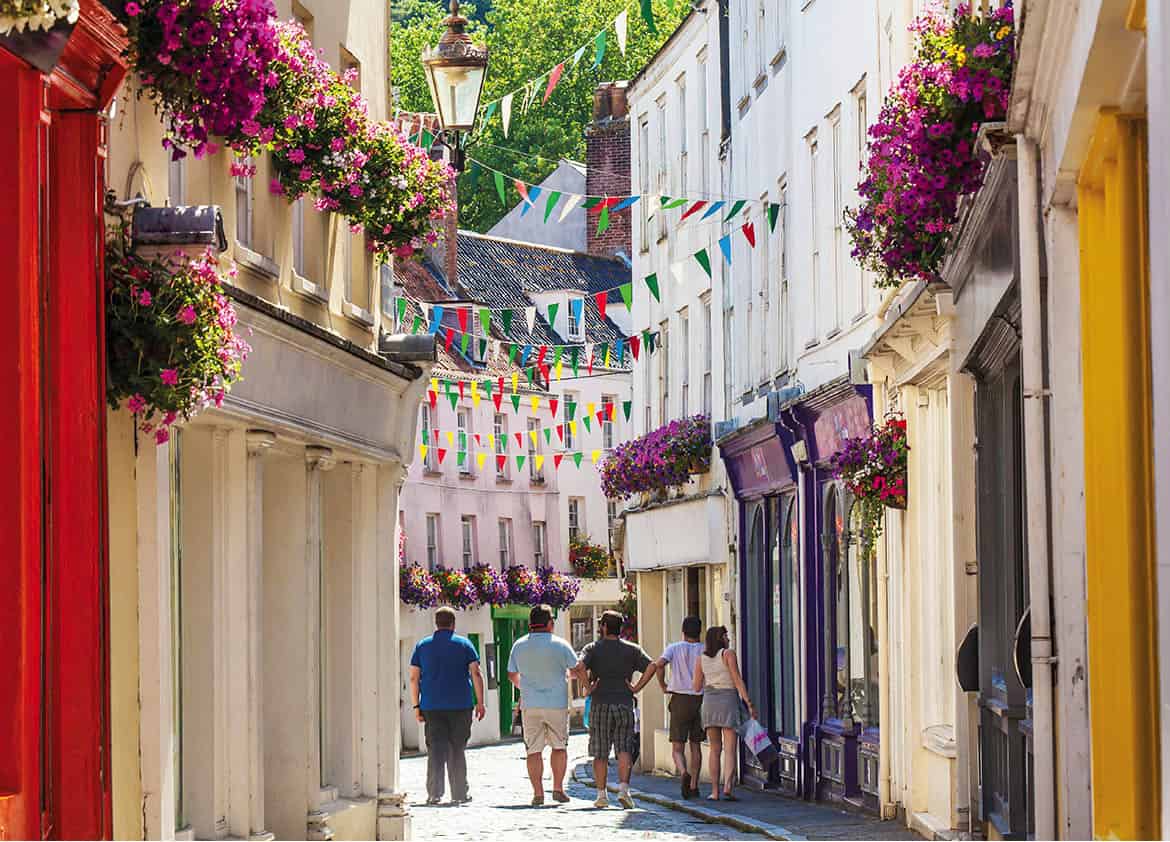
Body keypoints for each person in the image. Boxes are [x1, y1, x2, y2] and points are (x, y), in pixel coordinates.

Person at [572, 610, 658, 810]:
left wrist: (588, 687)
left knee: (600, 752)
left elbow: (579, 666)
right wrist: (637, 688)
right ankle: (624, 790)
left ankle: (601, 795)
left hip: (600, 703)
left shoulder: (593, 648)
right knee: (624, 749)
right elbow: (652, 666)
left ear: (603, 627)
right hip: (624, 703)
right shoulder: (632, 649)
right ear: (620, 628)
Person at [409, 606, 487, 805]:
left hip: (432, 706)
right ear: (453, 623)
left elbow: (413, 678)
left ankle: (434, 793)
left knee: (435, 749)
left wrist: (416, 706)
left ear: (436, 623)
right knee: (457, 748)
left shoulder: (422, 646)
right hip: (460, 705)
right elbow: (476, 674)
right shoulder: (464, 644)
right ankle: (459, 793)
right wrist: (480, 702)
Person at [506, 604, 579, 806]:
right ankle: (557, 789)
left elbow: (511, 674)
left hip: (531, 704)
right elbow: (576, 668)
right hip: (557, 703)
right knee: (559, 747)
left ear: (531, 623)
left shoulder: (519, 645)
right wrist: (568, 677)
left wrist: (525, 686)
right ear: (550, 623)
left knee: (533, 750)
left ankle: (538, 793)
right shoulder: (560, 644)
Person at [692, 625, 755, 802]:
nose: (728, 639)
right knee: (729, 749)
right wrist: (749, 703)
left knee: (714, 749)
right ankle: (727, 786)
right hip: (728, 701)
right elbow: (737, 681)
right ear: (720, 639)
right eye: (725, 636)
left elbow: (696, 686)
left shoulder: (701, 659)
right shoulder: (728, 654)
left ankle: (714, 791)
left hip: (710, 702)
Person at [655, 615, 705, 799]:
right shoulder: (705, 649)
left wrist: (663, 684)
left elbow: (659, 665)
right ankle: (694, 785)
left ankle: (683, 772)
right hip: (700, 699)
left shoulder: (674, 648)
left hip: (679, 698)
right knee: (696, 745)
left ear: (683, 632)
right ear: (699, 632)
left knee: (677, 746)